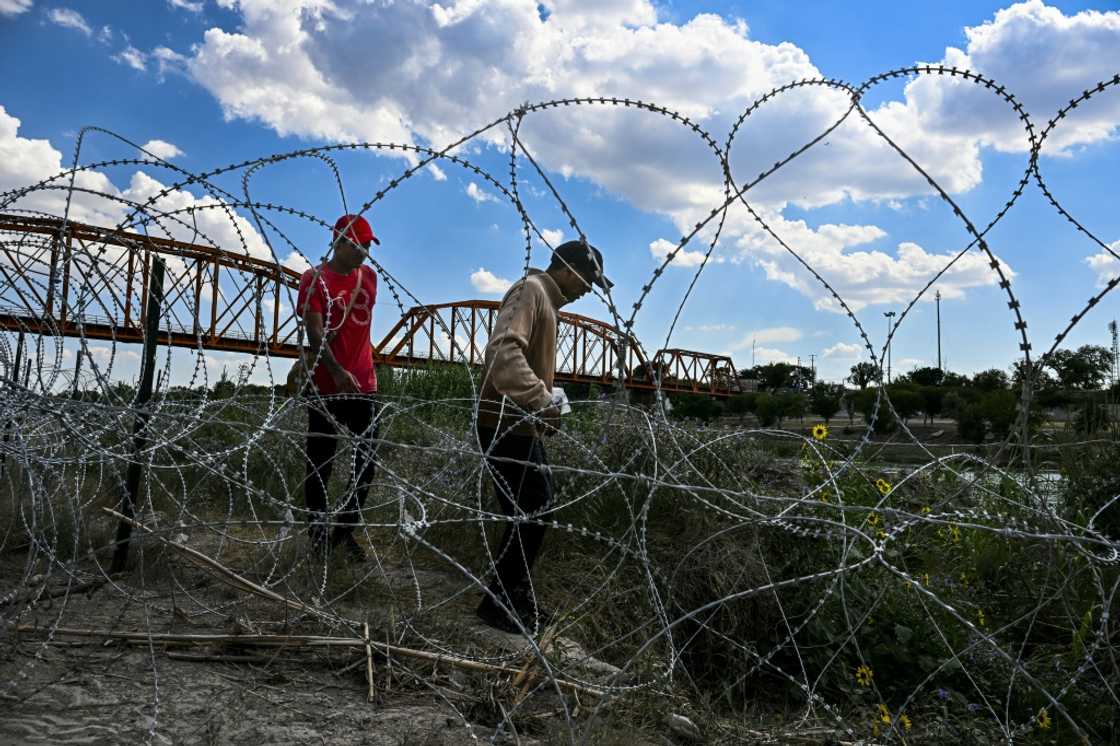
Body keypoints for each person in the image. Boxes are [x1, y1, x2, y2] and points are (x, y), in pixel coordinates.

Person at [475, 239, 612, 633]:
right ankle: (498, 602)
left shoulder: (545, 301)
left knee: (532, 512)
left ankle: (513, 596)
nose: (589, 289)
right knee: (533, 511)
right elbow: (503, 353)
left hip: (519, 423)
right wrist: (540, 401)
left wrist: (544, 406)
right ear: (568, 268)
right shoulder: (530, 291)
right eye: (588, 279)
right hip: (502, 423)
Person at [296, 214, 381, 561]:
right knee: (320, 464)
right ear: (340, 242)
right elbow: (314, 332)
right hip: (326, 386)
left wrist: (355, 371)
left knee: (367, 461)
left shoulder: (369, 278)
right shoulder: (313, 279)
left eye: (368, 245)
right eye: (360, 244)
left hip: (364, 384)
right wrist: (335, 368)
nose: (365, 252)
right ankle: (317, 536)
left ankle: (343, 533)